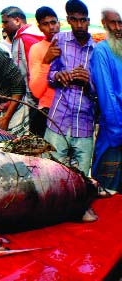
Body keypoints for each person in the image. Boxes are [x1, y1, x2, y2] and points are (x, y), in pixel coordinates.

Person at [45, 0, 96, 176]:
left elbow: (101, 91)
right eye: (74, 20)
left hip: (84, 123)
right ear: (68, 20)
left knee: (81, 177)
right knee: (51, 173)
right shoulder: (59, 40)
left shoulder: (97, 50)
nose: (79, 25)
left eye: (83, 20)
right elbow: (50, 76)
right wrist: (58, 76)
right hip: (59, 118)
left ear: (88, 21)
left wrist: (88, 83)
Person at [90, 8, 122, 192]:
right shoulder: (102, 51)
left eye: (121, 23)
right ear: (104, 24)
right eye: (113, 23)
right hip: (114, 130)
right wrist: (117, 131)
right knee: (108, 189)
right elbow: (106, 95)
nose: (118, 28)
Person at [1, 6, 44, 136]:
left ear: (17, 20)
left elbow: (26, 72)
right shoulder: (37, 35)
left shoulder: (24, 38)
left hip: (31, 99)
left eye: (5, 22)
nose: (3, 26)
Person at [28, 7, 61, 137]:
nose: (51, 27)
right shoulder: (36, 49)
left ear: (59, 23)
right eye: (45, 24)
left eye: (53, 22)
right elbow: (36, 91)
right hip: (48, 111)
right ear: (40, 27)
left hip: (73, 112)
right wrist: (46, 62)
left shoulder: (71, 45)